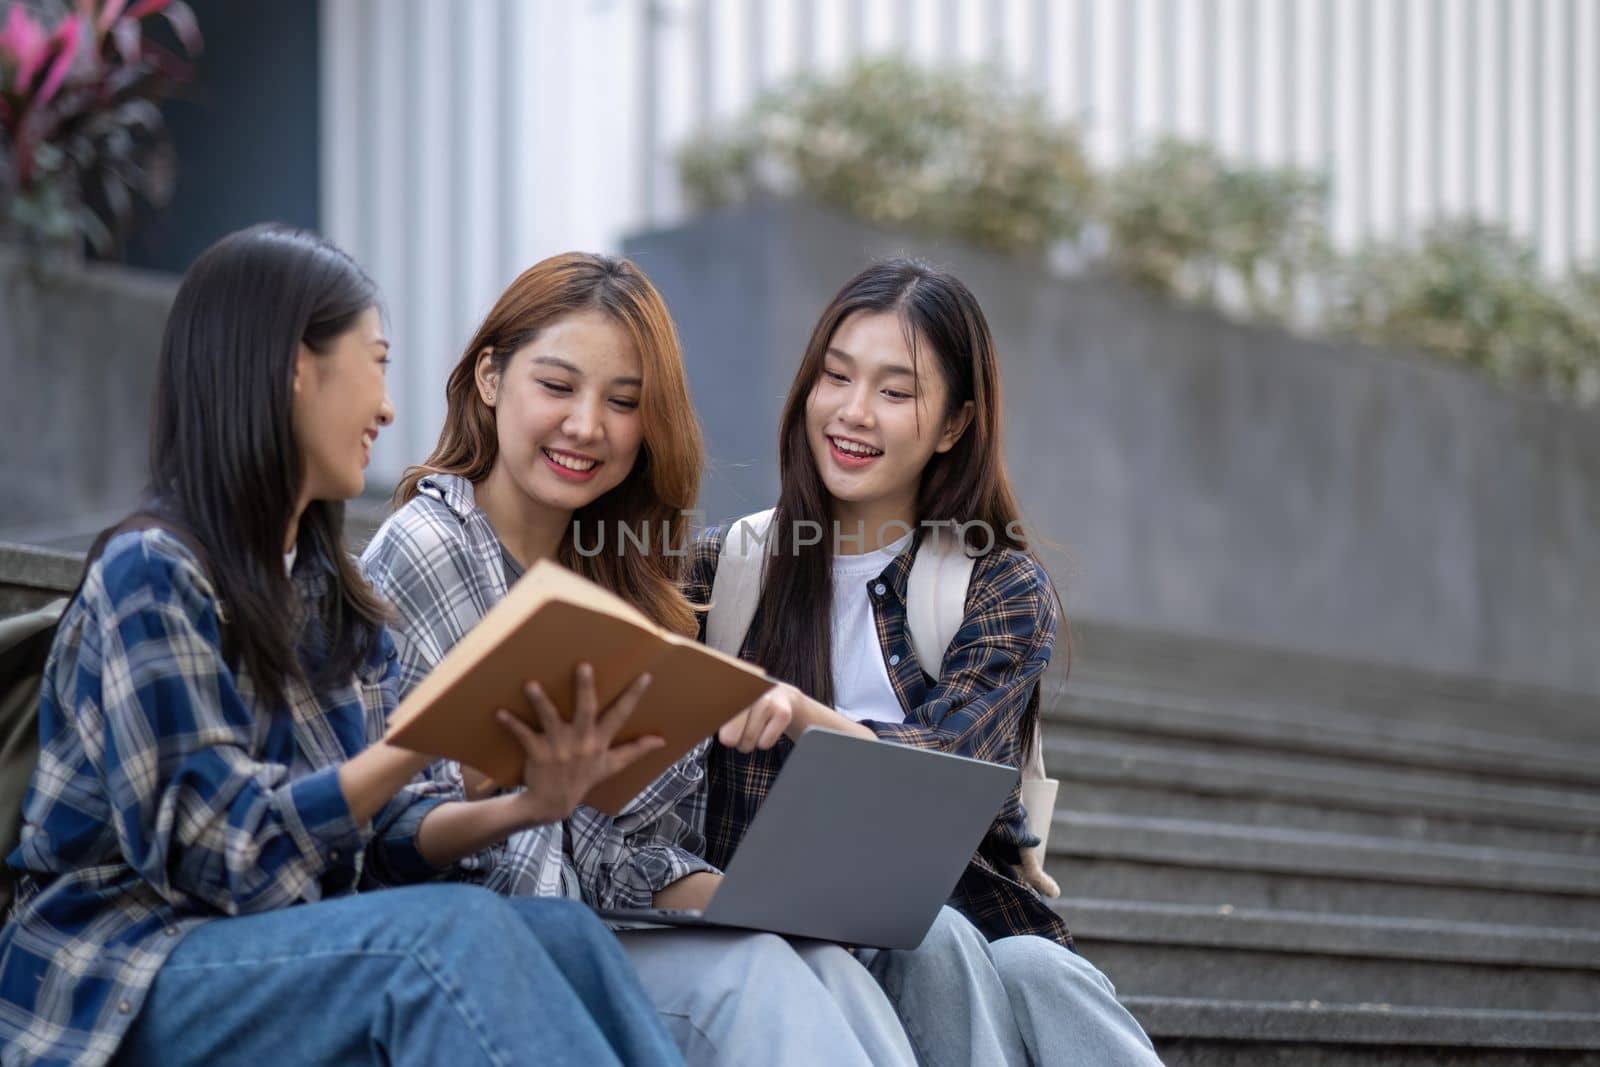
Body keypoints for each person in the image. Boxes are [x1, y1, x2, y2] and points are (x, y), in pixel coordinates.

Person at [0, 226, 683, 1067]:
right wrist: (417, 742)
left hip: (285, 949)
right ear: (297, 371)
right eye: (378, 364)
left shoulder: (332, 592)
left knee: (568, 934)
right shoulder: (152, 572)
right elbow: (223, 856)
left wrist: (525, 804)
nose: (390, 407)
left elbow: (391, 833)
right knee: (447, 937)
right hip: (130, 973)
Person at [360, 251, 916, 1067]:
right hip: (481, 955)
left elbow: (619, 854)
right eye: (557, 387)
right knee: (754, 978)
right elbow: (383, 828)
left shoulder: (625, 583)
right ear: (489, 377)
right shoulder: (429, 549)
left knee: (824, 961)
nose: (588, 426)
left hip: (599, 934)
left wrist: (754, 905)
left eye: (624, 403)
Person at [677, 258, 1165, 1066]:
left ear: (952, 424)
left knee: (1045, 970)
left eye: (895, 392)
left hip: (966, 921)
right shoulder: (722, 571)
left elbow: (947, 772)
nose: (852, 411)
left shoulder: (996, 586)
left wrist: (800, 714)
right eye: (835, 377)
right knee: (927, 937)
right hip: (785, 932)